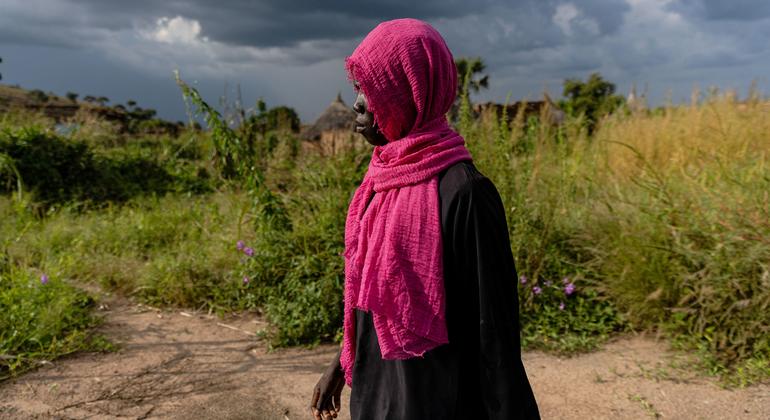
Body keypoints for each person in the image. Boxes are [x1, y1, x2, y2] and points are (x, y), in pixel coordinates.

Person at [311, 18, 540, 420]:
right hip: (376, 396)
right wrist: (340, 365)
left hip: (441, 402)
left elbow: (495, 334)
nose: (359, 103)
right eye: (358, 88)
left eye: (373, 88)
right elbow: (370, 298)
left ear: (412, 91)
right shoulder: (377, 184)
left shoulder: (465, 194)